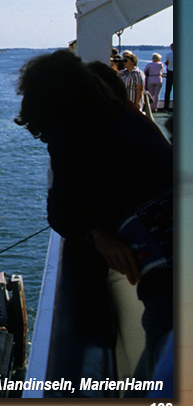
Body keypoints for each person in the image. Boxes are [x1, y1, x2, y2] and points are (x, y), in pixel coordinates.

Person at [15, 49, 173, 381]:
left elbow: (63, 216)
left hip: (171, 275)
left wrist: (96, 233)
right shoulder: (132, 121)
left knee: (164, 374)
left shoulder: (72, 137)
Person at [162, 44, 173, 111]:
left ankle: (166, 107)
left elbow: (167, 62)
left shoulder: (169, 54)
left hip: (170, 72)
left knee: (168, 90)